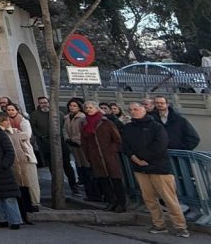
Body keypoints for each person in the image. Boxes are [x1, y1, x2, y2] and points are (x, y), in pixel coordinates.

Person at [121, 102, 189, 238]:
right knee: (149, 199)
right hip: (140, 168)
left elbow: (161, 145)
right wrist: (134, 158)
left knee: (169, 199)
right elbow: (125, 145)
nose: (133, 112)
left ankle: (180, 226)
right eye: (131, 110)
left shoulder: (156, 126)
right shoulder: (128, 128)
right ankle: (159, 224)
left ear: (144, 110)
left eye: (136, 109)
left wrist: (144, 158)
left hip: (159, 168)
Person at [80, 100, 126, 213]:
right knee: (103, 180)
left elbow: (117, 139)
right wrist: (88, 155)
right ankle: (111, 201)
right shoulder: (84, 124)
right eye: (86, 108)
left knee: (116, 179)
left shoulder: (106, 122)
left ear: (96, 108)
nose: (89, 110)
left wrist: (111, 150)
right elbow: (84, 142)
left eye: (91, 107)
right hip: (95, 156)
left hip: (109, 155)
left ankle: (121, 203)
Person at [0, 111, 37, 223]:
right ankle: (17, 217)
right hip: (9, 167)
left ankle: (25, 215)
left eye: (8, 120)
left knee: (23, 190)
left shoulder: (14, 132)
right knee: (14, 193)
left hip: (21, 165)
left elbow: (23, 145)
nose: (8, 122)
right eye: (5, 120)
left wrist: (26, 157)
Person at [63, 98, 90, 197]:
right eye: (70, 106)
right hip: (72, 144)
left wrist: (77, 140)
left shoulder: (82, 117)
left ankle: (90, 187)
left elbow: (83, 131)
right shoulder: (67, 117)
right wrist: (67, 138)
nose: (72, 107)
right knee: (79, 165)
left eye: (74, 106)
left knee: (86, 165)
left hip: (81, 144)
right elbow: (64, 129)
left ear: (79, 107)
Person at [32, 97, 51, 168]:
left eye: (45, 102)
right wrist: (41, 136)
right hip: (44, 142)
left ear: (48, 103)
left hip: (57, 141)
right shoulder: (34, 115)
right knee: (50, 162)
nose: (44, 104)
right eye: (41, 103)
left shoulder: (55, 113)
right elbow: (33, 127)